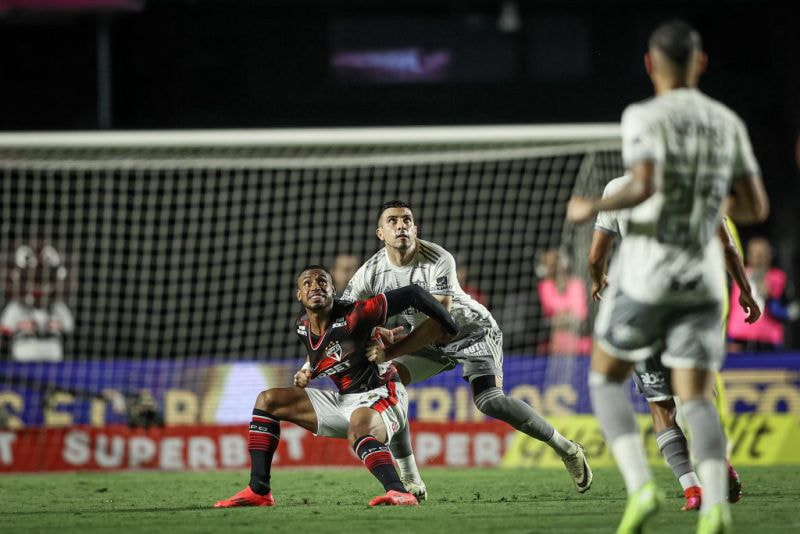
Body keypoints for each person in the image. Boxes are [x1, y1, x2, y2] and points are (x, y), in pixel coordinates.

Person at [566, 19, 768, 533]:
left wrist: (594, 203)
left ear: (650, 65)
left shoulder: (643, 115)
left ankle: (642, 489)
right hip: (704, 285)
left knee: (606, 380)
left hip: (647, 281)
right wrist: (743, 288)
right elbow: (752, 206)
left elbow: (643, 185)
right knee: (696, 396)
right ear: (701, 63)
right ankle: (716, 503)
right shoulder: (726, 121)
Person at [342, 200, 593, 500]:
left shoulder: (437, 258)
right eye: (393, 221)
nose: (401, 225)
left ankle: (568, 450)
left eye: (407, 219)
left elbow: (440, 322)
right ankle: (410, 480)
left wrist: (390, 351)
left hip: (471, 332)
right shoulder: (371, 271)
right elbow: (346, 316)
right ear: (380, 233)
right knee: (389, 385)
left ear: (415, 228)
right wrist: (372, 332)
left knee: (489, 402)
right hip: (428, 342)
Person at [214, 265, 458, 508]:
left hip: (382, 395)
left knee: (359, 429)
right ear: (299, 295)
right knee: (267, 401)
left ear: (333, 289)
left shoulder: (356, 315)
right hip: (343, 401)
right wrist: (305, 372)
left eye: (322, 281)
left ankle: (398, 492)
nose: (315, 286)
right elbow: (326, 353)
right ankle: (258, 491)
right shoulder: (302, 326)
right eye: (307, 283)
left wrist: (450, 325)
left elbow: (412, 293)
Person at [589, 173, 761, 511]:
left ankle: (692, 489)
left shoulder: (616, 190)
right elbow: (726, 246)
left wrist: (598, 281)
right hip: (689, 304)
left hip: (640, 309)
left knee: (660, 404)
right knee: (696, 396)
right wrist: (745, 290)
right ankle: (718, 464)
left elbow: (596, 256)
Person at [728, 237, 797, 351]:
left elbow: (791, 310)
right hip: (738, 340)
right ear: (748, 255)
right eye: (755, 253)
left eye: (762, 253)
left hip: (769, 341)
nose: (758, 258)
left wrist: (771, 298)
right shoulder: (737, 277)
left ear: (770, 254)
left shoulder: (779, 278)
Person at [536, 249, 592, 356]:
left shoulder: (577, 284)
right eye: (551, 265)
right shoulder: (545, 286)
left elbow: (581, 316)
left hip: (580, 341)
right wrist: (568, 314)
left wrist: (562, 317)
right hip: (554, 343)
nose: (556, 269)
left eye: (557, 263)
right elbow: (550, 314)